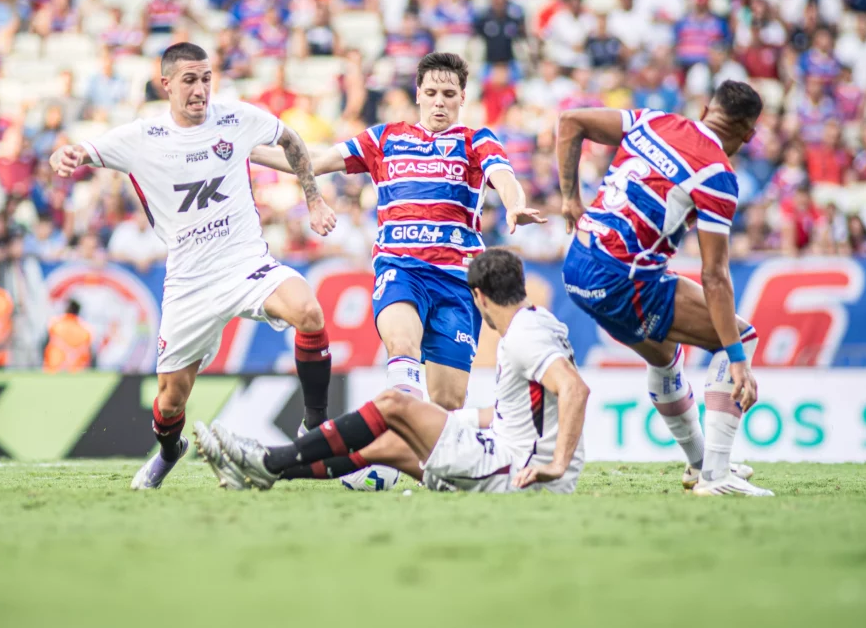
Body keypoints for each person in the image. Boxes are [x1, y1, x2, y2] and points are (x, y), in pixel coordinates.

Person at [50, 42, 338, 490]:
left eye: (206, 78)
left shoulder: (237, 118)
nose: (201, 89)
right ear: (165, 84)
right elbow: (83, 150)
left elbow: (291, 141)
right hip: (189, 283)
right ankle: (169, 452)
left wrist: (314, 199)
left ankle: (314, 427)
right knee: (169, 403)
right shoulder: (142, 138)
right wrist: (65, 154)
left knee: (310, 312)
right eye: (189, 80)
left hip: (245, 263)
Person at [250, 52, 544, 487]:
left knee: (447, 403)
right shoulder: (384, 138)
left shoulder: (475, 139)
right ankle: (373, 468)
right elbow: (314, 161)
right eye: (431, 93)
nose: (439, 102)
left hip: (457, 282)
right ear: (418, 96)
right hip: (400, 266)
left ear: (463, 98)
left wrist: (516, 203)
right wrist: (248, 151)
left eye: (449, 94)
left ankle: (389, 464)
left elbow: (503, 176)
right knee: (402, 346)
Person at [194, 248, 589, 494]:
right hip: (511, 456)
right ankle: (271, 471)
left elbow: (574, 390)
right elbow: (517, 413)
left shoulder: (522, 336)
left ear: (479, 297)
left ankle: (266, 457)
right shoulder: (537, 323)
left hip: (515, 472)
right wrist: (447, 419)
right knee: (387, 447)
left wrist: (555, 467)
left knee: (393, 404)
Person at [556, 80, 772, 496]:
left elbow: (570, 121)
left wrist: (570, 198)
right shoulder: (716, 173)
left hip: (578, 265)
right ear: (747, 135)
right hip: (622, 279)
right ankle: (716, 476)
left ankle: (698, 464)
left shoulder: (653, 121)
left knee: (664, 357)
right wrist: (737, 356)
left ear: (707, 108)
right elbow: (714, 275)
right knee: (740, 336)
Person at [42, 299, 93, 372]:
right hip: (78, 371)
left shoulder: (54, 324)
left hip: (54, 369)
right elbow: (90, 353)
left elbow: (44, 344)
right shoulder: (86, 329)